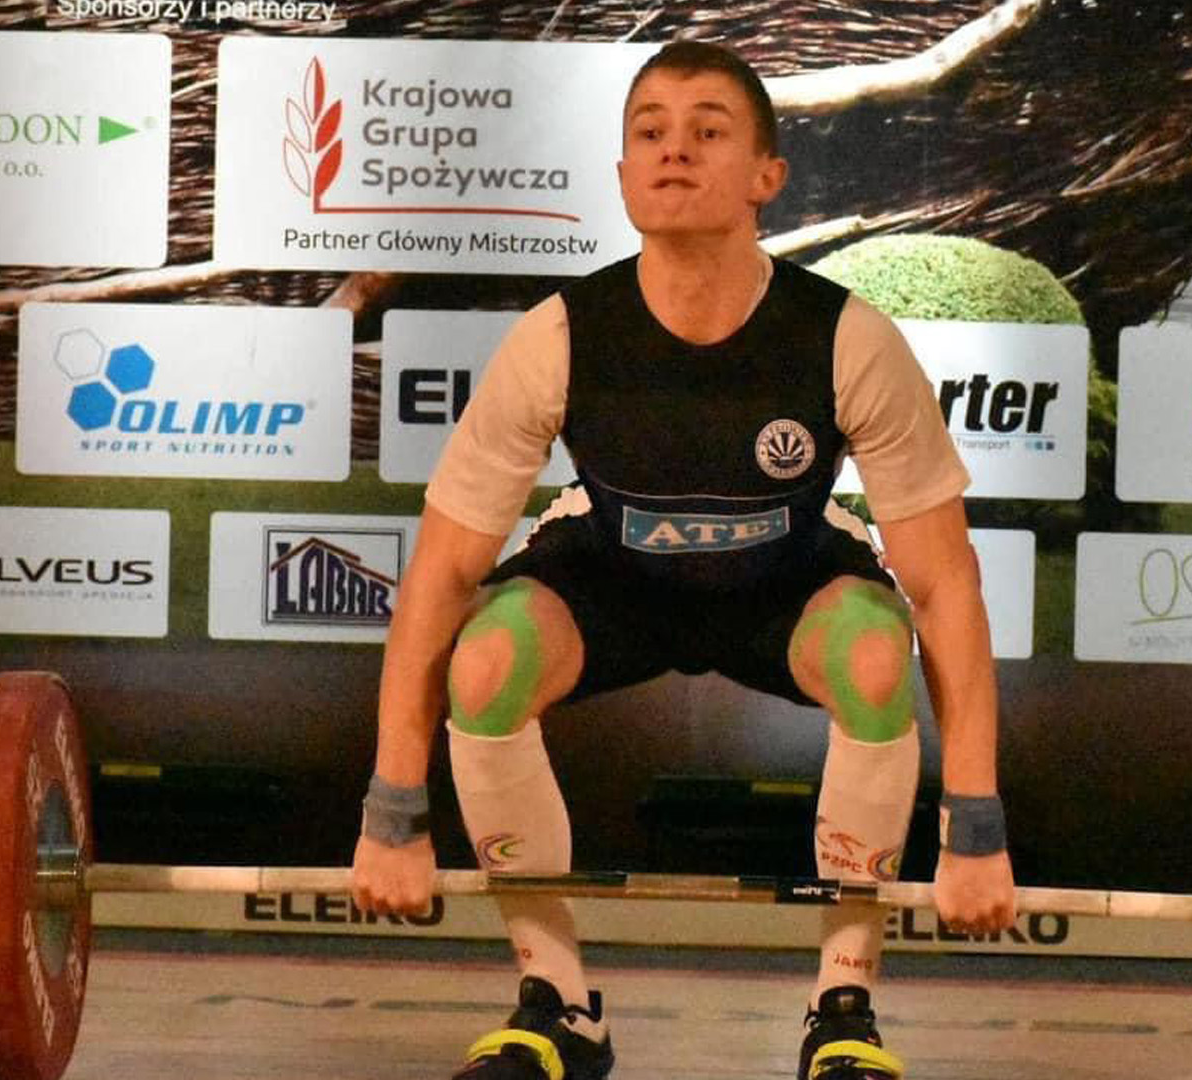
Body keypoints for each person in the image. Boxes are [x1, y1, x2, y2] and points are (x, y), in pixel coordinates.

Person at [351, 39, 1018, 1080]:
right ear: (622, 177)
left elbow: (944, 586)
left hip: (783, 585)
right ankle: (559, 1004)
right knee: (483, 661)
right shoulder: (557, 338)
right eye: (650, 133)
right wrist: (393, 811)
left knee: (876, 652)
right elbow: (439, 575)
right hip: (612, 581)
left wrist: (974, 826)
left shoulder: (848, 339)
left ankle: (843, 1008)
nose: (674, 150)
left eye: (708, 131)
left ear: (766, 176)